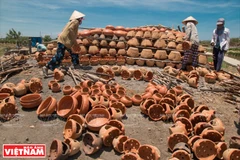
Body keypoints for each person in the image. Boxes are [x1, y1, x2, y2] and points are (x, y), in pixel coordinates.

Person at [42, 10, 85, 77]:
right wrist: (74, 39)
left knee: (74, 52)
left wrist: (73, 40)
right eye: (81, 19)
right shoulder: (75, 21)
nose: (81, 21)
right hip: (64, 41)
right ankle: (46, 67)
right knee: (59, 56)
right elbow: (70, 29)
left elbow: (63, 30)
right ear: (79, 19)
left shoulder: (69, 22)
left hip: (66, 41)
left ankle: (76, 65)